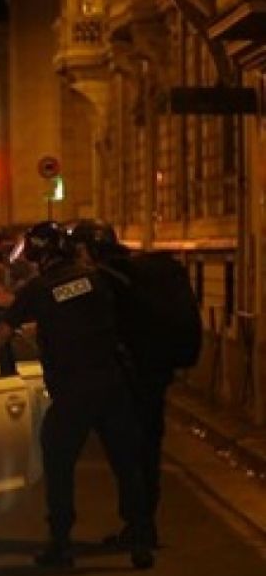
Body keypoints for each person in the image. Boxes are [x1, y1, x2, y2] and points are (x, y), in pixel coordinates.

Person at [0, 221, 154, 569]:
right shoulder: (97, 279)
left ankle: (60, 544)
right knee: (126, 463)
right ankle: (140, 540)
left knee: (59, 462)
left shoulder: (38, 289)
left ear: (37, 255)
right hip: (113, 384)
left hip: (73, 391)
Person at [66, 218, 201, 549]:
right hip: (155, 375)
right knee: (148, 451)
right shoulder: (140, 273)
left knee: (127, 456)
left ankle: (139, 528)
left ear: (85, 249)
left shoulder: (101, 280)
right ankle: (145, 524)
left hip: (125, 380)